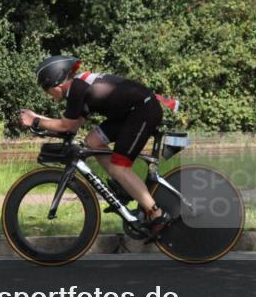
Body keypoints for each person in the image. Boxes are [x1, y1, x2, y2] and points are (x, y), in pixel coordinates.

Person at [18, 55, 172, 233]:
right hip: (131, 112)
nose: (50, 97)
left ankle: (157, 215)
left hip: (142, 111)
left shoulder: (77, 88)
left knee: (119, 168)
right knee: (93, 141)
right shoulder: (79, 87)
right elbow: (71, 127)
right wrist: (38, 119)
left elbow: (66, 125)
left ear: (56, 84)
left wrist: (36, 120)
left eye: (48, 91)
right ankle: (126, 186)